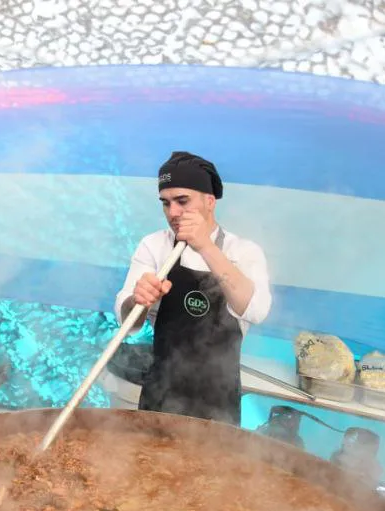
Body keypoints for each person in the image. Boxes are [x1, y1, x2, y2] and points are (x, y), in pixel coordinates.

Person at [114, 151, 272, 426]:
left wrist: (206, 247)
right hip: (160, 396)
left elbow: (256, 310)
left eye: (182, 201)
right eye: (165, 203)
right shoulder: (154, 246)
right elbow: (128, 321)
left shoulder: (243, 251)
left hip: (217, 404)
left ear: (210, 201)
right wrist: (138, 301)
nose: (173, 213)